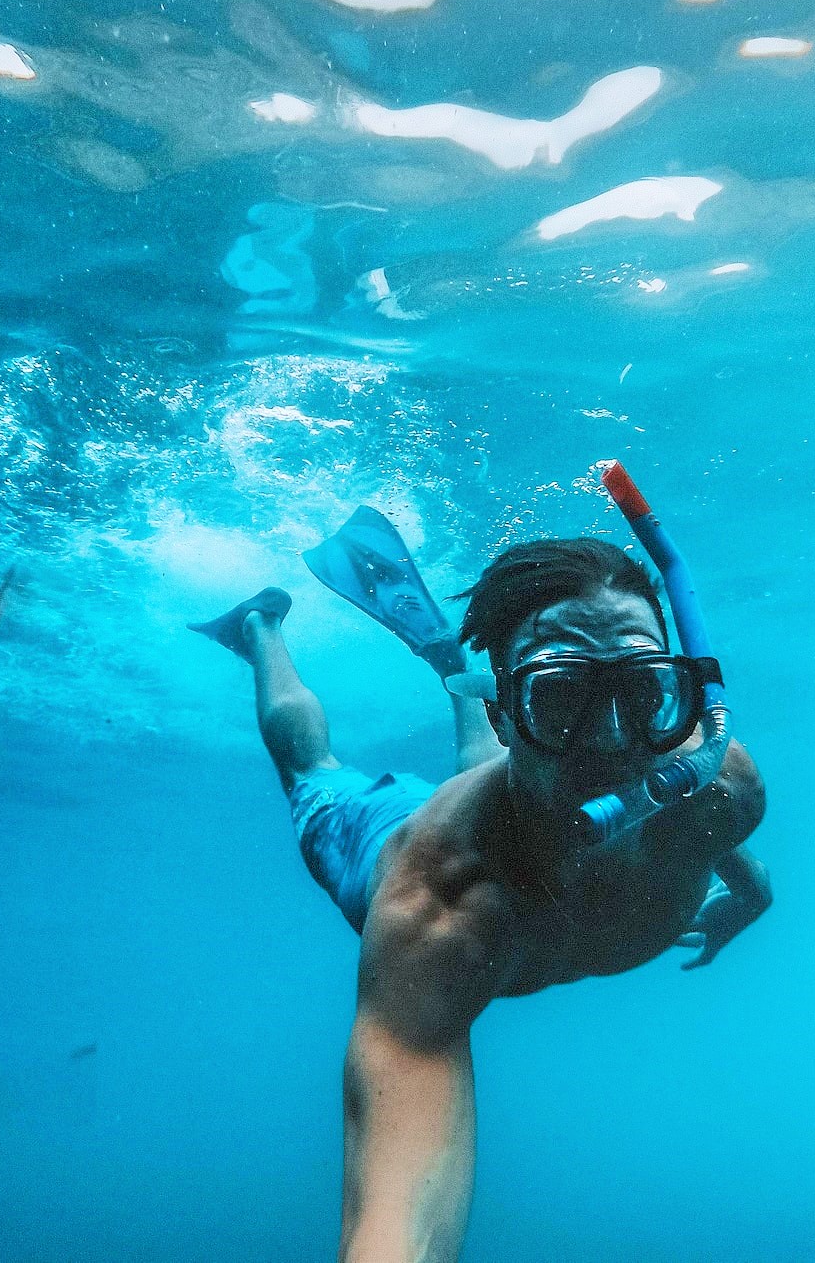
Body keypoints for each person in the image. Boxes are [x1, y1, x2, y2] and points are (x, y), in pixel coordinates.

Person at [190, 505, 770, 1263]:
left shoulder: (713, 781)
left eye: (641, 691)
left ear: (675, 695)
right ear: (507, 715)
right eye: (560, 697)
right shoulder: (436, 907)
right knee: (313, 771)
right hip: (385, 830)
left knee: (520, 775)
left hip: (513, 789)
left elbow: (710, 830)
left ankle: (457, 661)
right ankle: (260, 627)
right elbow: (396, 1219)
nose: (611, 739)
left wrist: (750, 892)